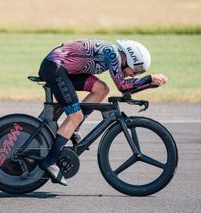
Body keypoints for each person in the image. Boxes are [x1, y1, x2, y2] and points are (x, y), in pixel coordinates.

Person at [38, 39, 167, 185]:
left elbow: (126, 90)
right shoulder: (112, 54)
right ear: (129, 60)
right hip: (54, 68)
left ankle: (75, 128)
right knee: (75, 115)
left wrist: (149, 84)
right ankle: (50, 160)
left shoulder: (113, 55)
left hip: (64, 68)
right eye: (136, 71)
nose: (133, 75)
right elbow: (123, 86)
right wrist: (149, 79)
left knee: (102, 89)